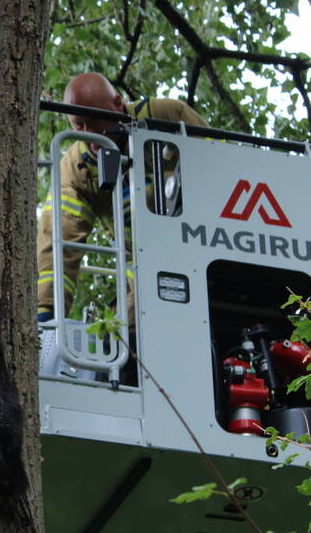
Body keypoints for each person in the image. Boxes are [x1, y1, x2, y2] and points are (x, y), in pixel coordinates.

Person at [36, 73, 207, 385]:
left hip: (204, 254)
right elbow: (59, 240)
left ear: (118, 103)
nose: (88, 134)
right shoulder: (76, 169)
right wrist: (46, 311)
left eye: (95, 121)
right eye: (78, 125)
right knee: (117, 340)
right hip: (141, 279)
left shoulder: (166, 116)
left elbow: (225, 164)